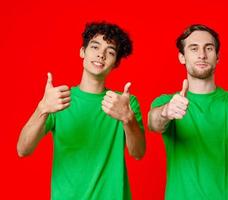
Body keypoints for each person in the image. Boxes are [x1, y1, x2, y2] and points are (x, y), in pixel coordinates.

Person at [17, 22, 145, 200]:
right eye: (95, 47)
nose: (101, 54)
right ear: (82, 52)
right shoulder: (59, 99)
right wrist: (43, 109)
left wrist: (127, 119)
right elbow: (23, 149)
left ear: (115, 63)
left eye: (110, 52)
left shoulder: (124, 102)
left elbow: (138, 153)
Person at [148, 24, 228, 200]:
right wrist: (166, 112)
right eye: (194, 48)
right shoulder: (167, 102)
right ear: (182, 57)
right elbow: (153, 122)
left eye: (209, 48)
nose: (202, 55)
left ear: (217, 57)